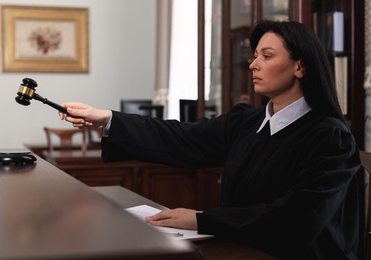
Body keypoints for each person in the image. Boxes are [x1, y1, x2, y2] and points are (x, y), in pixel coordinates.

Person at [59, 20, 362, 260]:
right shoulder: (247, 121)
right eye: (254, 55)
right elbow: (181, 138)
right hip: (241, 250)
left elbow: (298, 218)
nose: (253, 64)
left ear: (300, 66)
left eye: (266, 56)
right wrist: (108, 118)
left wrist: (202, 220)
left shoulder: (329, 137)